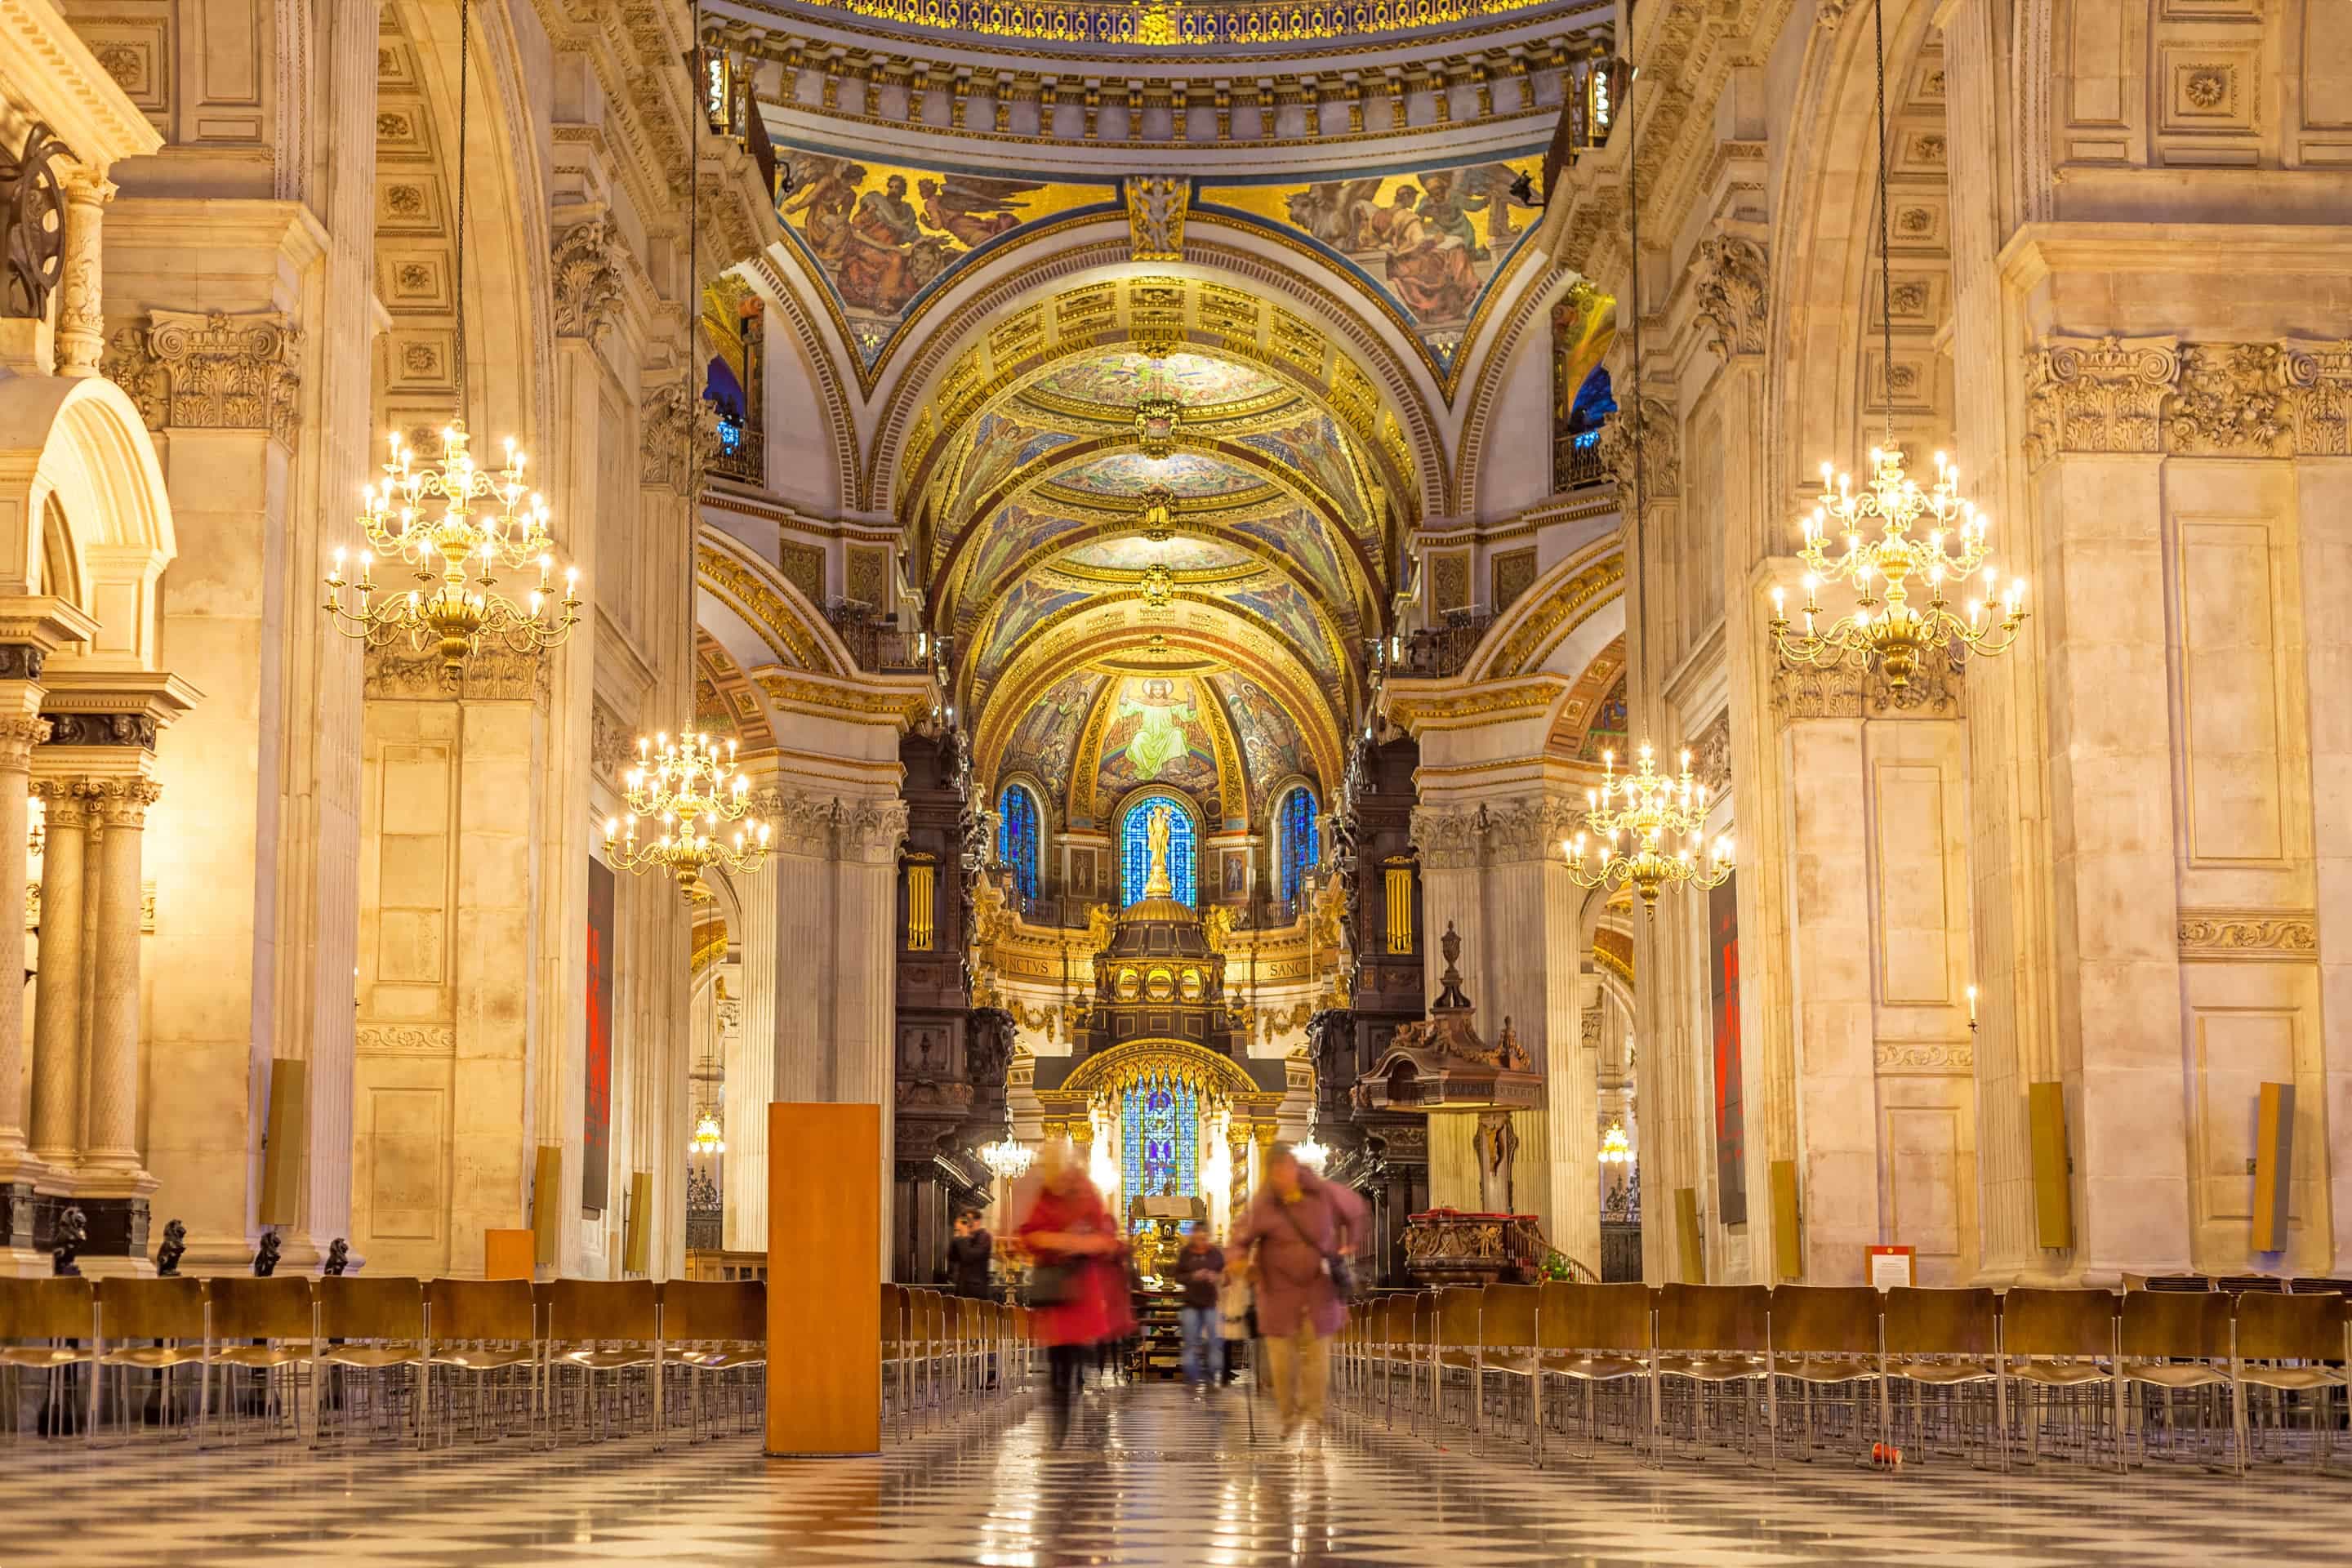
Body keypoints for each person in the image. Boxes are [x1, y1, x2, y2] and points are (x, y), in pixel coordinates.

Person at [1230, 1143, 1367, 1444]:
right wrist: (1241, 1264)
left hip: (1318, 1291)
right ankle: (1289, 1415)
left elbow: (1356, 1209)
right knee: (1282, 1360)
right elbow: (1240, 1238)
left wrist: (1350, 1243)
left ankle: (1314, 1417)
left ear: (1293, 1167)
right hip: (1278, 1295)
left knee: (1317, 1356)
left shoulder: (1322, 1192)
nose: (1282, 1177)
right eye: (1276, 1173)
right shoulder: (1263, 1204)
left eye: (1286, 1170)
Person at [1014, 1141, 1130, 1447]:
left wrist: (1071, 1243)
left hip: (1083, 1293)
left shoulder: (1086, 1192)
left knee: (1079, 1360)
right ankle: (1059, 1428)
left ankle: (1082, 1423)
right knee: (1059, 1365)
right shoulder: (1046, 1197)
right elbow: (1028, 1235)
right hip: (1057, 1295)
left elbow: (1105, 1236)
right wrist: (1066, 1242)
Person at [1171, 1222, 1227, 1389]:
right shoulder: (1186, 1253)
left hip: (1210, 1303)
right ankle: (1192, 1379)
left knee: (1214, 1342)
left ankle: (1211, 1378)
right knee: (1190, 1342)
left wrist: (1215, 1277)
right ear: (1193, 1235)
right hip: (1191, 1304)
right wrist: (1193, 1276)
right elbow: (1178, 1276)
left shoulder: (1216, 1253)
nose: (1200, 1240)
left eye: (1203, 1236)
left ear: (1207, 1236)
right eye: (1197, 1236)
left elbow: (1226, 1275)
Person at [947, 1209, 994, 1300]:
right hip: (961, 1288)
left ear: (978, 1221)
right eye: (964, 1221)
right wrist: (957, 1234)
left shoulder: (985, 1237)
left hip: (976, 1290)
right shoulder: (964, 1239)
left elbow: (969, 1256)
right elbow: (952, 1257)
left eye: (968, 1220)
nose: (967, 1224)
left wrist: (964, 1236)